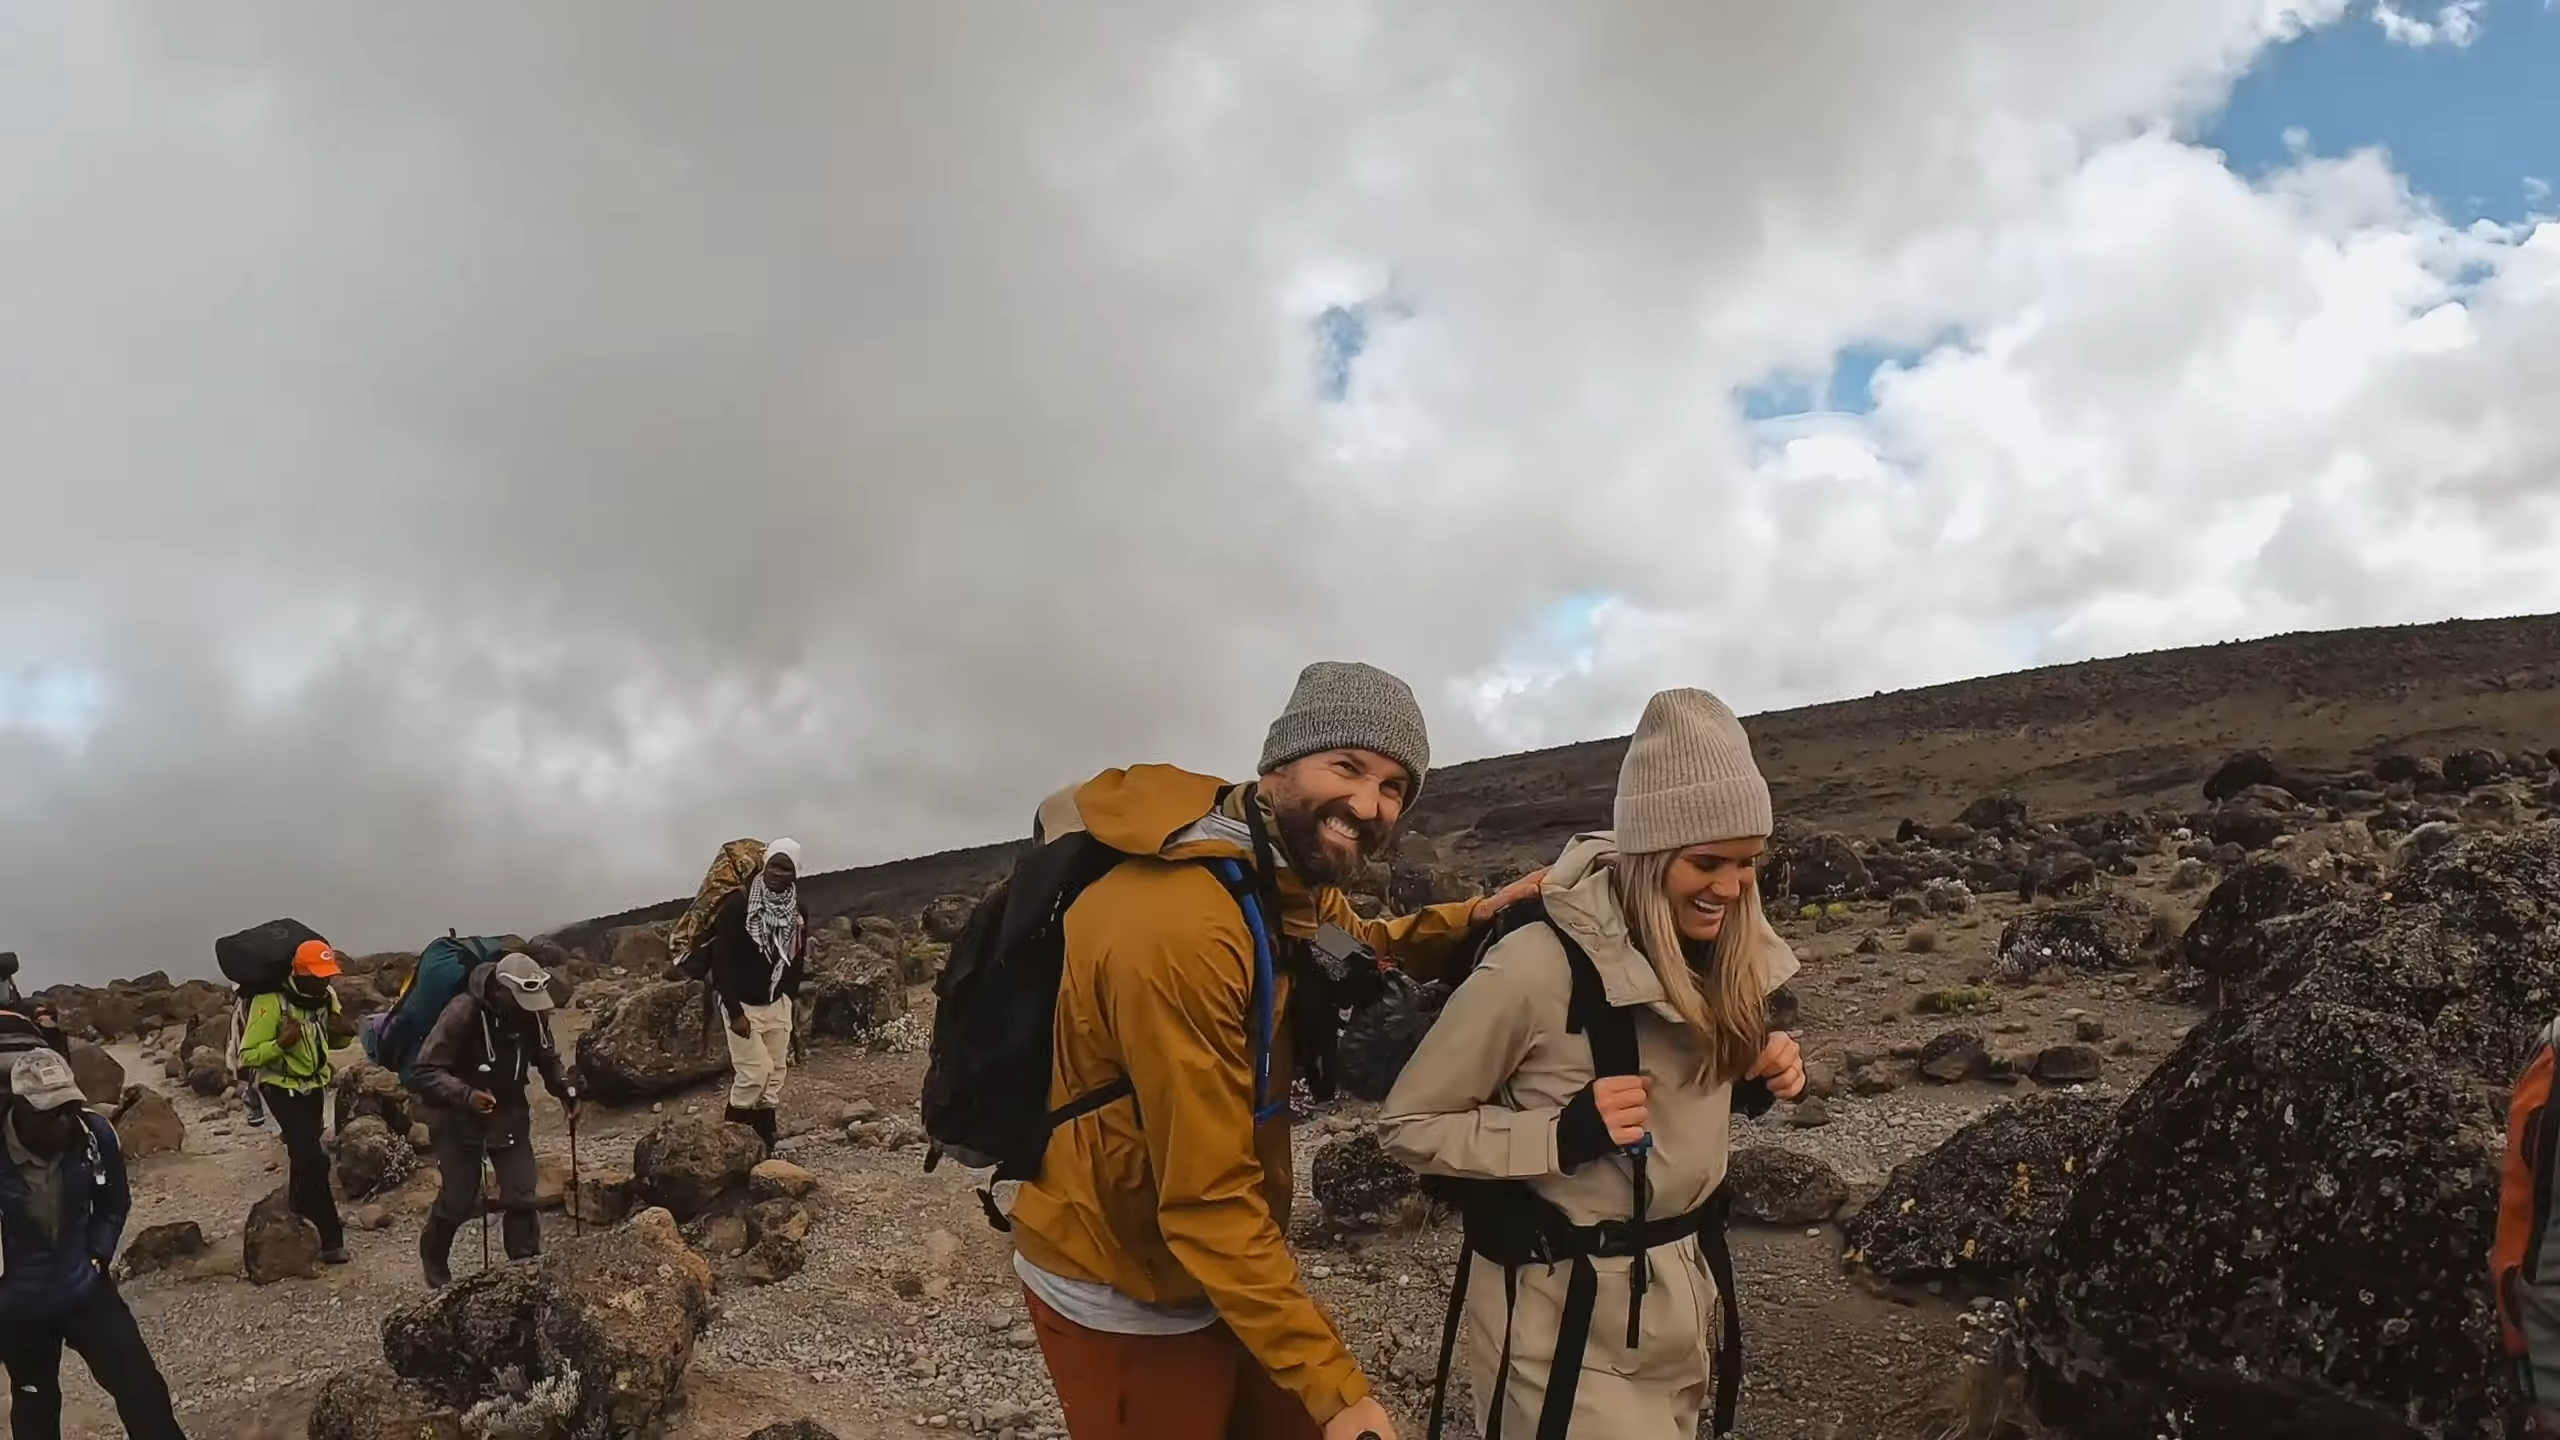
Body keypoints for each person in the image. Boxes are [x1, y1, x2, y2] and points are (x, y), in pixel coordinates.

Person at [1010, 660, 1544, 1440]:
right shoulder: (1180, 932)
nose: (1368, 805)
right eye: (1348, 766)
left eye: (1395, 787)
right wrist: (1339, 1392)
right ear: (1279, 763)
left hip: (1223, 1264)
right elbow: (1205, 1199)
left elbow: (1352, 946)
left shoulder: (1276, 876)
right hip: (1125, 1280)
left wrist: (1469, 919)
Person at [1378, 687, 1807, 1440]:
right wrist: (1560, 1135)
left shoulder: (1719, 950)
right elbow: (1410, 1125)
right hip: (1561, 1321)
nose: (1733, 888)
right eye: (1707, 861)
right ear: (1647, 853)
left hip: (1683, 1295)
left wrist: (1747, 1077)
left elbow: (1668, 1087)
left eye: (1749, 864)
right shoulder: (1533, 968)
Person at [0, 1048, 187, 1440]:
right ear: (19, 1107)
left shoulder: (93, 1134)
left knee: (142, 1390)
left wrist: (97, 1257)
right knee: (35, 1407)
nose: (64, 1121)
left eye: (69, 1106)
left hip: (84, 1286)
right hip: (19, 1309)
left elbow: (113, 1204)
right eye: (50, 1112)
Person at [409, 952, 577, 1287]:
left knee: (521, 1193)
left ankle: (525, 1269)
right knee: (459, 1199)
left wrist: (565, 1091)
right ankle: (434, 1254)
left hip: (509, 1110)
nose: (530, 1007)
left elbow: (547, 1057)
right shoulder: (463, 1012)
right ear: (501, 990)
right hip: (456, 1116)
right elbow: (425, 1069)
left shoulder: (533, 1014)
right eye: (522, 998)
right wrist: (467, 1095)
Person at [238, 939, 348, 1264]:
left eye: (328, 975)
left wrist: (344, 1033)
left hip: (314, 1087)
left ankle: (297, 1213)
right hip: (280, 1088)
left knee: (304, 1155)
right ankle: (331, 1240)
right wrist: (281, 1044)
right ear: (300, 973)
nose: (325, 981)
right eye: (318, 975)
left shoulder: (326, 998)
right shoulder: (270, 1001)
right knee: (315, 1159)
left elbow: (334, 1038)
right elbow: (248, 1055)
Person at [703, 836, 806, 1154]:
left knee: (774, 1072)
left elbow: (797, 955)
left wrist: (789, 997)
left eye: (786, 868)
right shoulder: (738, 906)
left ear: (795, 873)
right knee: (754, 1073)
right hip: (743, 1005)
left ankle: (765, 1138)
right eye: (774, 865)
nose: (778, 873)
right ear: (764, 864)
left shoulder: (797, 909)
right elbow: (721, 960)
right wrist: (734, 1011)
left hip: (777, 1002)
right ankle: (731, 1140)